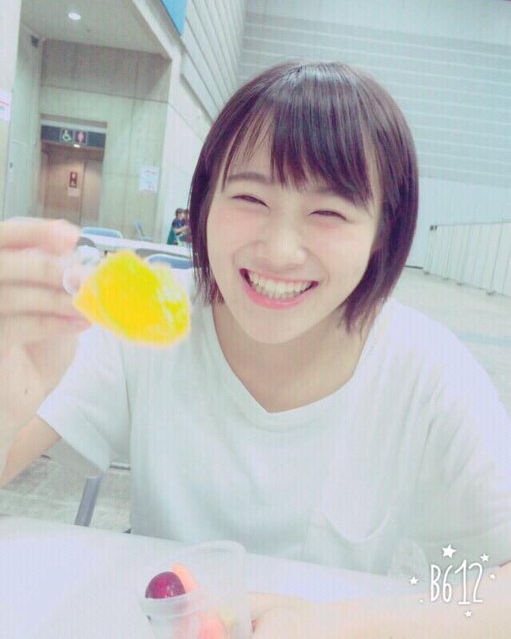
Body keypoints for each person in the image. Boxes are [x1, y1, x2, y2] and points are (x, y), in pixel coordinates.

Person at [1, 61, 510, 638]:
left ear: (382, 233)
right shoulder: (146, 322)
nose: (280, 250)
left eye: (328, 212)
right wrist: (7, 398)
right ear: (204, 203)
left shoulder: (429, 373)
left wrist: (343, 624)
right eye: (249, 198)